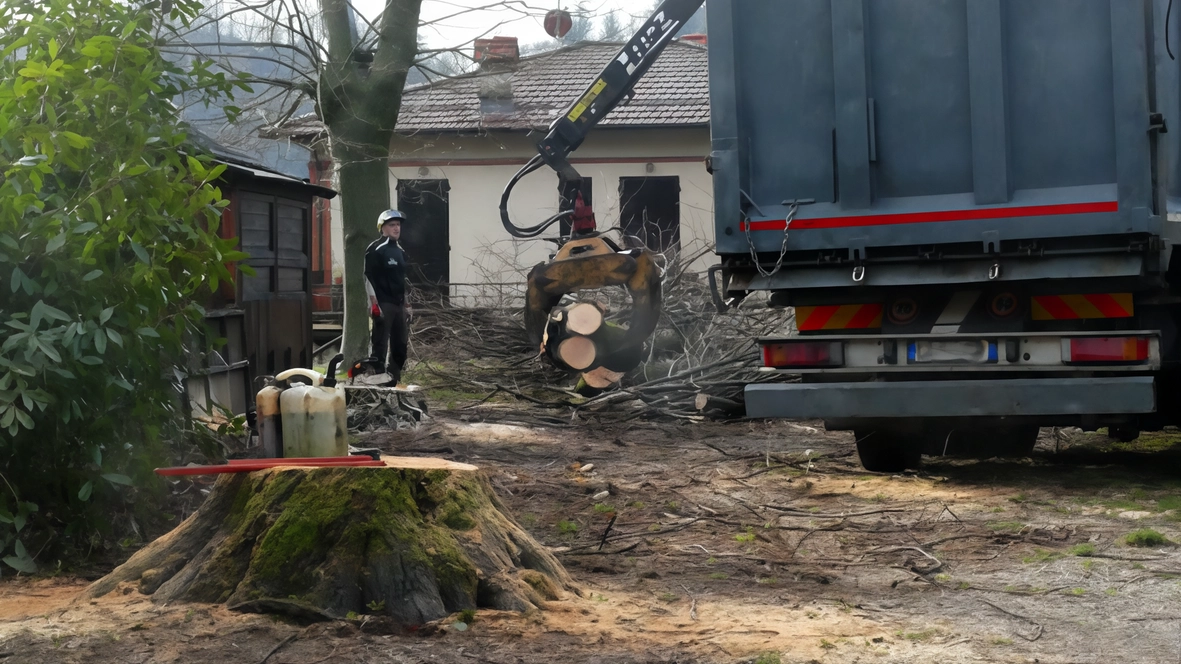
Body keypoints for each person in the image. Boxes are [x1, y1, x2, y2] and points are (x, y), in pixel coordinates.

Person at [364, 209, 412, 383]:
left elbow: (402, 280)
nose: (396, 228)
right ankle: (377, 378)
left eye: (398, 225)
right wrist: (373, 304)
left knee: (400, 345)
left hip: (399, 304)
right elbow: (368, 277)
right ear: (382, 228)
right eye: (392, 225)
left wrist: (407, 304)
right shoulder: (375, 249)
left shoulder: (400, 251)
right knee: (380, 344)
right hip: (383, 303)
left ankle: (394, 379)